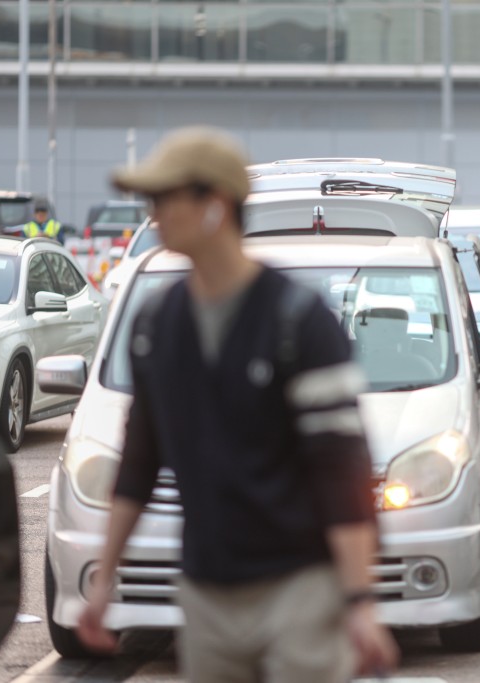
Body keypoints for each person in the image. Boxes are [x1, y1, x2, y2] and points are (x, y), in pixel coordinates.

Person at [74, 127, 397, 681]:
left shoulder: (298, 321)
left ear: (215, 205)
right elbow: (139, 461)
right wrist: (104, 580)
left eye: (165, 199)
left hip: (301, 586)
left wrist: (359, 600)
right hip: (204, 592)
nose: (154, 215)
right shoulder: (157, 322)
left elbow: (341, 470)